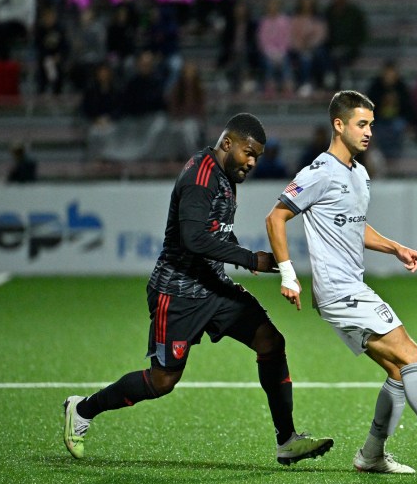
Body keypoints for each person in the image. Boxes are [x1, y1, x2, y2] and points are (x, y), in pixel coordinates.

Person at [63, 113, 334, 465]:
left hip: (213, 288)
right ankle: (82, 410)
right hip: (176, 292)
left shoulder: (225, 175)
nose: (252, 163)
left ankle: (287, 440)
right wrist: (251, 259)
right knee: (162, 381)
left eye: (257, 157)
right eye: (248, 153)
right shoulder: (200, 176)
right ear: (227, 143)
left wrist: (236, 254)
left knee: (271, 341)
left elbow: (215, 228)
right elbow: (193, 239)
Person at [265, 90, 417, 474]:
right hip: (341, 291)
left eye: (371, 124)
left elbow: (355, 226)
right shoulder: (319, 172)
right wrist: (288, 275)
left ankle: (371, 455)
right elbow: (275, 218)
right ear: (338, 125)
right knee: (413, 356)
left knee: (398, 371)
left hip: (349, 289)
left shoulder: (358, 172)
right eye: (362, 124)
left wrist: (395, 248)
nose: (370, 132)